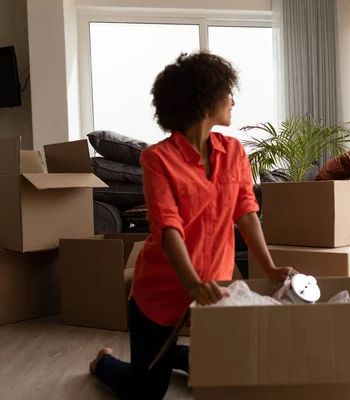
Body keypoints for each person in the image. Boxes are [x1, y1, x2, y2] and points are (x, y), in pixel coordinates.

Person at [88, 51, 294, 399]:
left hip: (212, 290)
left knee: (217, 370)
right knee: (147, 391)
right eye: (227, 92)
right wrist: (192, 283)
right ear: (203, 99)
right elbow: (168, 228)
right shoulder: (158, 159)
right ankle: (103, 362)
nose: (232, 100)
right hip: (162, 292)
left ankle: (172, 357)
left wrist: (269, 266)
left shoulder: (233, 151)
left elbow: (246, 211)